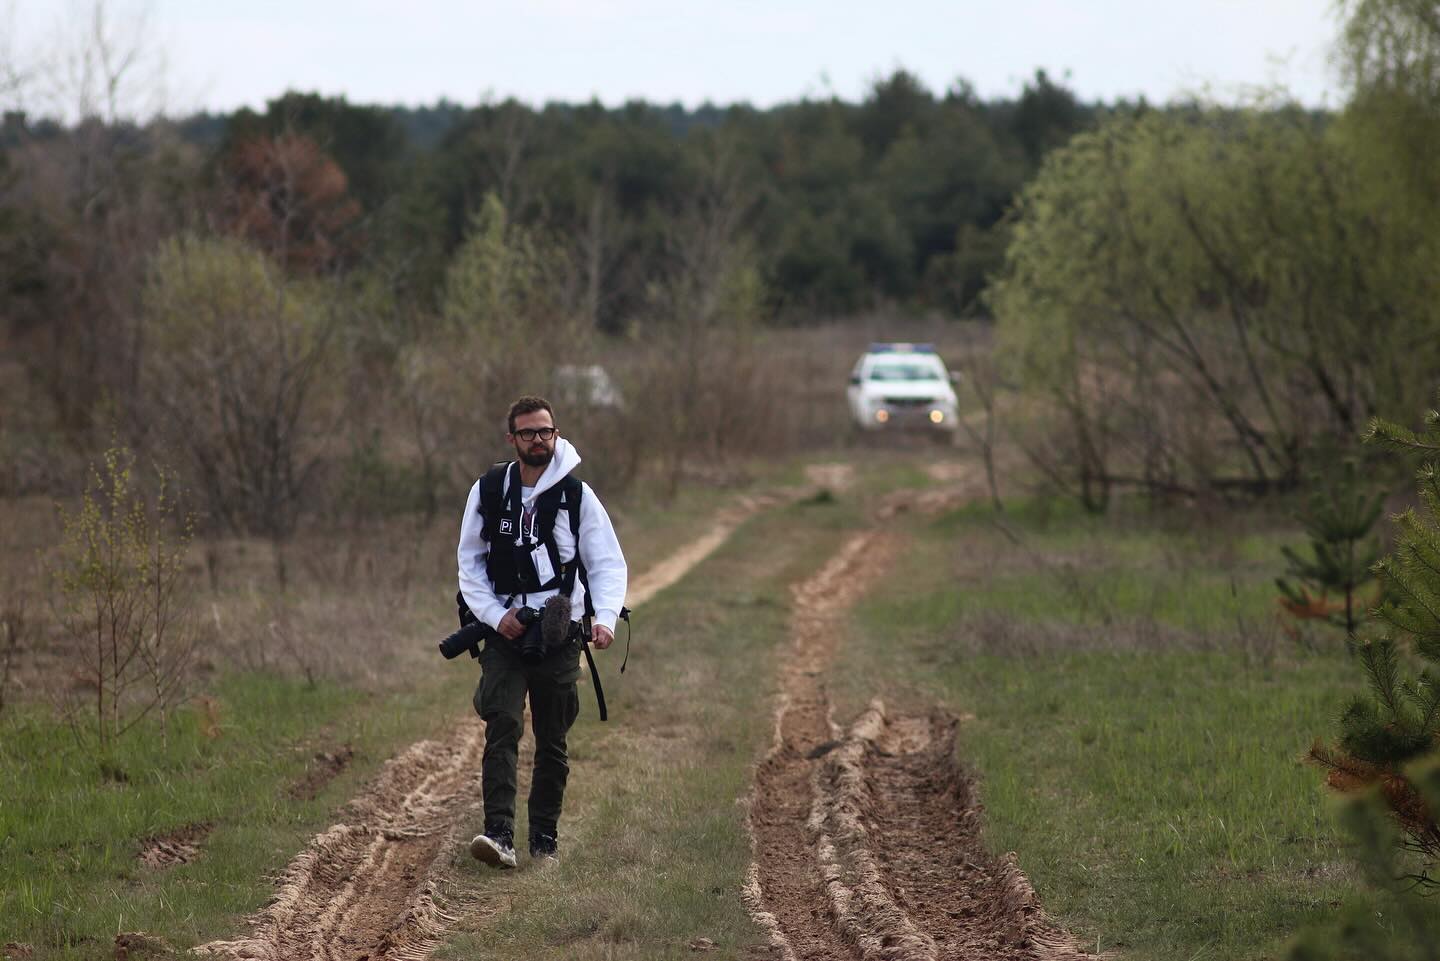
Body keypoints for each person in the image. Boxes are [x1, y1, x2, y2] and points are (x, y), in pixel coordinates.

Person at [456, 395, 627, 868]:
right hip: (504, 630)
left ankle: (544, 839)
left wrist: (604, 618)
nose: (538, 439)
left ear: (556, 434)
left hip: (559, 631)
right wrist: (494, 616)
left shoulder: (577, 495)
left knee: (553, 738)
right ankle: (499, 835)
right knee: (503, 723)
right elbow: (469, 564)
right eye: (528, 432)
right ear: (511, 438)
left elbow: (607, 562)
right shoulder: (489, 491)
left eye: (545, 431)